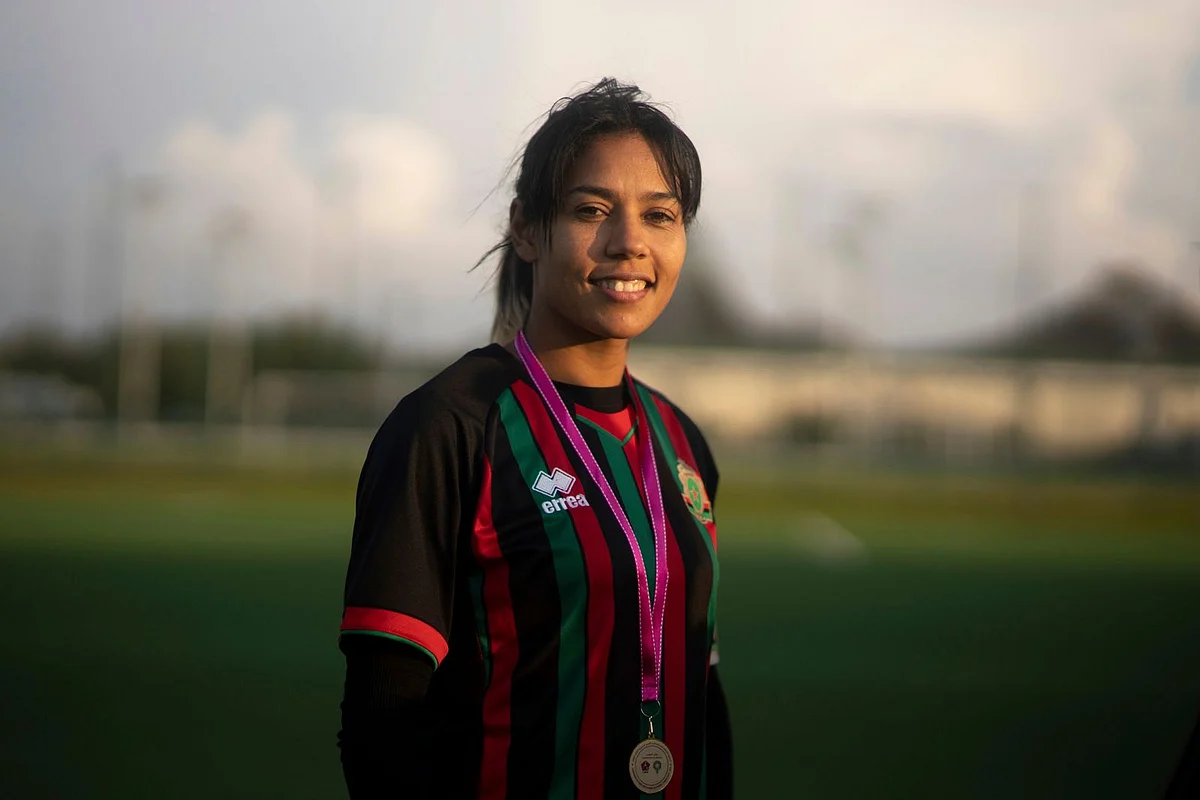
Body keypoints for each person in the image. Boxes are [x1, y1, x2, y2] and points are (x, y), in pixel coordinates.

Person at [337, 77, 732, 799]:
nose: (629, 243)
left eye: (660, 215)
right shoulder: (451, 426)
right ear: (525, 229)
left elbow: (703, 692)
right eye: (591, 210)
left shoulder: (683, 442)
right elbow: (382, 717)